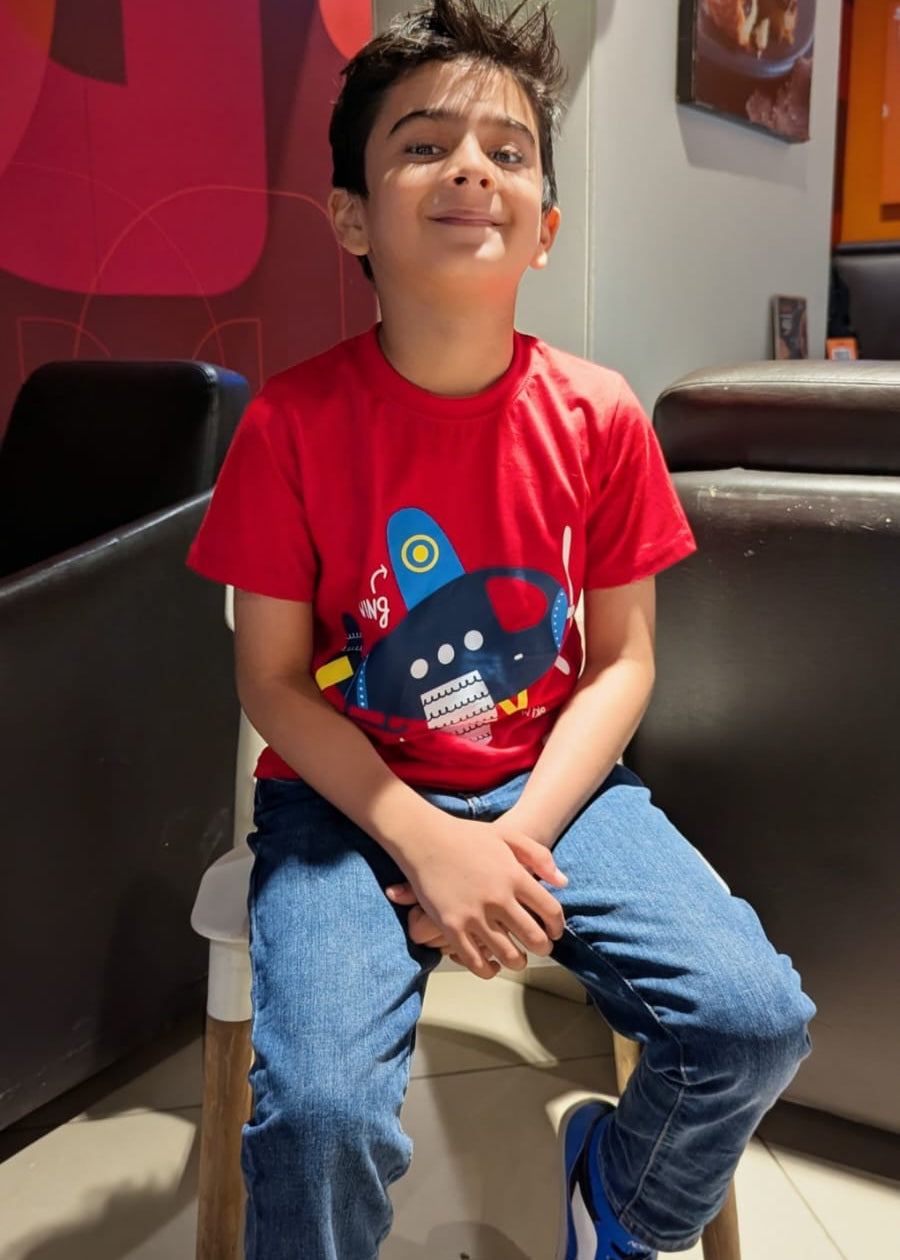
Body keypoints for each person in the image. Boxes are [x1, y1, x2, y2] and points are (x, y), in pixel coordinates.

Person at [187, 2, 815, 1256]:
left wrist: (511, 842)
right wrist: (423, 840)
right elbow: (271, 681)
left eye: (510, 150)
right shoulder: (293, 428)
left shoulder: (600, 416)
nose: (473, 166)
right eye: (424, 145)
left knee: (755, 1020)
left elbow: (625, 660)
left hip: (556, 790)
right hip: (346, 809)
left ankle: (618, 1201)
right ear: (353, 216)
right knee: (316, 1118)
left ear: (547, 225)